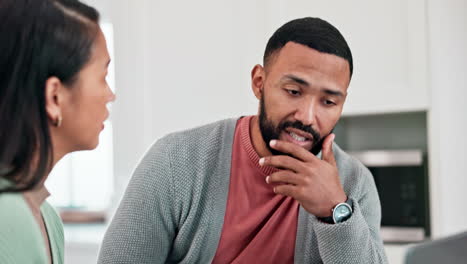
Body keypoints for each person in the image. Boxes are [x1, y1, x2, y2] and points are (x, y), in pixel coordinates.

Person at [99, 17, 387, 263]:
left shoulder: (354, 185)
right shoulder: (175, 162)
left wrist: (335, 211)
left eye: (328, 101)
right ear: (259, 83)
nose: (308, 117)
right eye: (293, 92)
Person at [0, 0, 115, 263]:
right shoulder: (8, 215)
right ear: (54, 96)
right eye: (102, 76)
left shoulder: (47, 218)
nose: (110, 95)